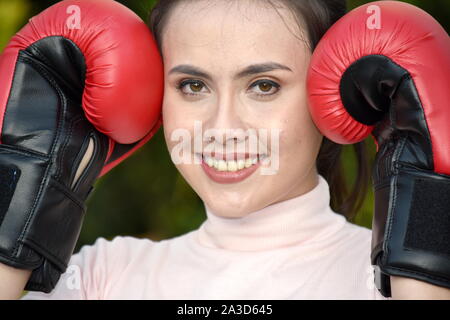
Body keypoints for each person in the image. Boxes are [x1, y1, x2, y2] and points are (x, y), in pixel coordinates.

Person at [0, 0, 449, 299]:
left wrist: (422, 248)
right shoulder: (100, 278)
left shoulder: (388, 285)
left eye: (264, 85)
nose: (222, 127)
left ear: (335, 90)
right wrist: (28, 167)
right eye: (193, 85)